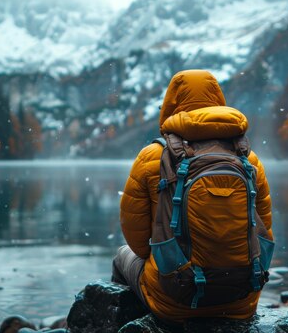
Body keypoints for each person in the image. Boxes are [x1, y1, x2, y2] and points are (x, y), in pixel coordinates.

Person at [112, 69, 273, 324]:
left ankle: (126, 323)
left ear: (171, 104)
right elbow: (264, 231)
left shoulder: (152, 157)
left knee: (123, 256)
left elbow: (137, 241)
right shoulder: (247, 158)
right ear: (219, 102)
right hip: (241, 299)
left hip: (175, 300)